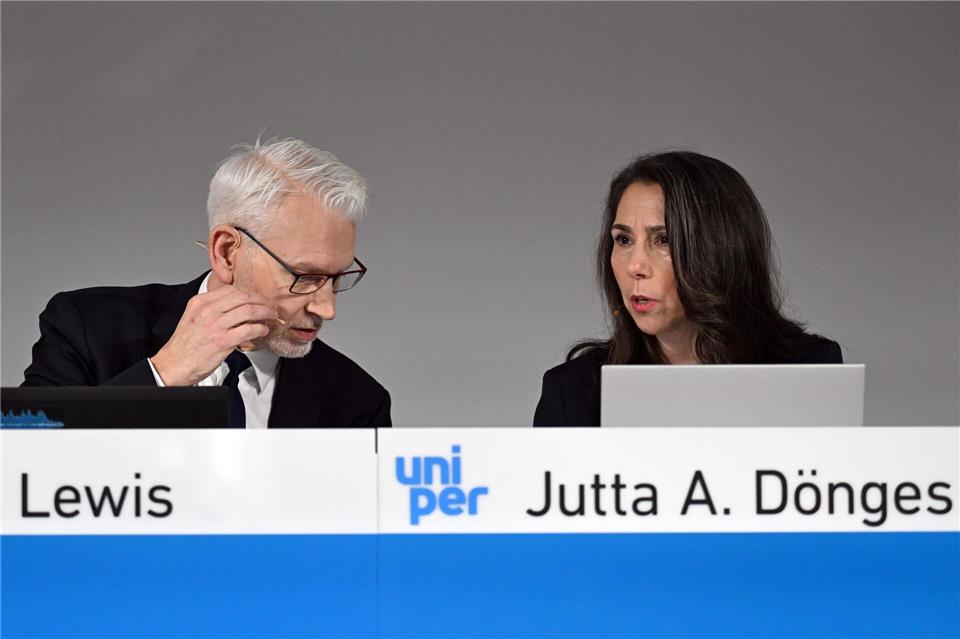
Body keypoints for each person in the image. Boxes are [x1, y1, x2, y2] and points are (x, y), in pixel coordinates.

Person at [23, 137, 391, 428]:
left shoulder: (357, 402)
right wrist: (164, 374)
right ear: (227, 252)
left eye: (338, 278)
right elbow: (18, 466)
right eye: (305, 277)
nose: (327, 308)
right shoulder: (88, 327)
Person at [534, 151, 841, 427]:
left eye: (663, 239)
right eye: (623, 240)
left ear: (719, 251)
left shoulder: (812, 370)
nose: (634, 266)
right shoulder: (572, 394)